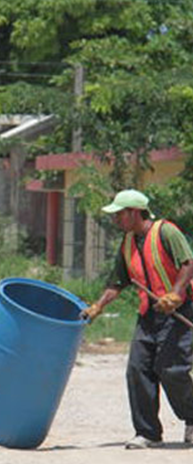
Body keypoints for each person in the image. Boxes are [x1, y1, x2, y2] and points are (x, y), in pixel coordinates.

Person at [82, 189, 193, 449]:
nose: (115, 219)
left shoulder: (166, 232)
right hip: (149, 315)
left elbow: (188, 263)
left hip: (181, 310)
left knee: (171, 369)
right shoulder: (128, 242)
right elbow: (118, 282)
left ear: (134, 212)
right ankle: (148, 433)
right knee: (137, 369)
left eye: (119, 214)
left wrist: (176, 294)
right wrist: (97, 306)